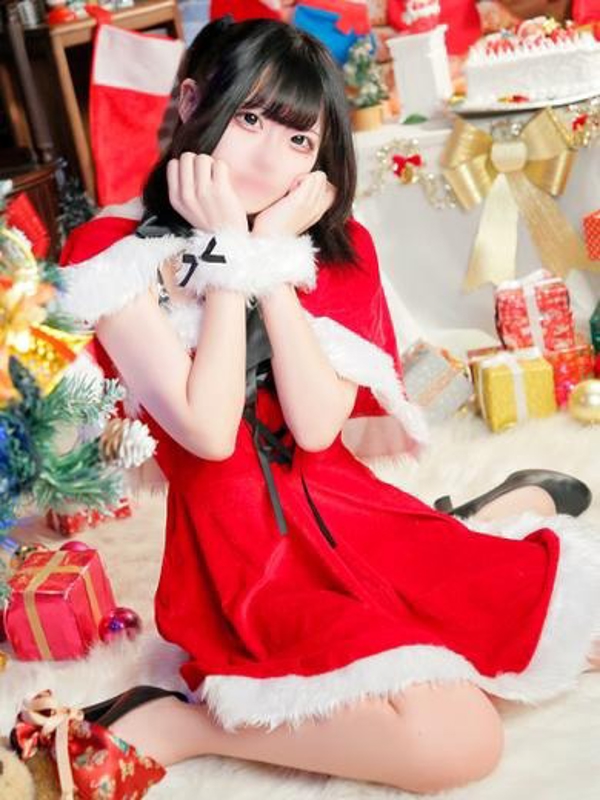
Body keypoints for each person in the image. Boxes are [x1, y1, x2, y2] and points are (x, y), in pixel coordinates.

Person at [9, 16, 600, 800]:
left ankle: (465, 522)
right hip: (242, 557)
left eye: (298, 140)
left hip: (353, 511)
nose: (268, 159)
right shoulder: (113, 252)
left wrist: (270, 260)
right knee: (461, 739)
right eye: (250, 119)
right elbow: (208, 433)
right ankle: (187, 723)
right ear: (193, 102)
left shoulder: (328, 243)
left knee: (575, 625)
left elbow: (318, 427)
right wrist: (225, 255)